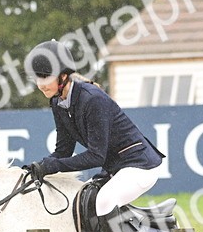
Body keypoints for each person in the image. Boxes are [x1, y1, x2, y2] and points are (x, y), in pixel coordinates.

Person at [22, 39, 164, 219]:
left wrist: (54, 166)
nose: (39, 85)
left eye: (44, 77)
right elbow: (63, 151)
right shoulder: (57, 103)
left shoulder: (92, 99)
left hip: (140, 166)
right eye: (36, 78)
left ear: (63, 76)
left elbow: (96, 156)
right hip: (115, 168)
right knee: (81, 201)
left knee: (103, 203)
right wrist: (40, 166)